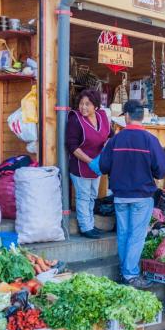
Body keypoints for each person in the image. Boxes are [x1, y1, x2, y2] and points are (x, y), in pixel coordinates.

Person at [90, 100, 165, 288]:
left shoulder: (115, 140)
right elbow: (161, 170)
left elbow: (102, 166)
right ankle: (130, 273)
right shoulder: (151, 140)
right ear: (142, 117)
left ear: (126, 116)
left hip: (120, 196)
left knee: (124, 234)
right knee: (136, 236)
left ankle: (126, 270)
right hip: (142, 197)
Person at [66, 90, 112, 239]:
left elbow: (110, 134)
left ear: (96, 107)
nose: (83, 107)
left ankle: (90, 224)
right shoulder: (75, 119)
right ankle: (85, 227)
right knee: (83, 196)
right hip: (81, 164)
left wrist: (107, 145)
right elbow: (72, 146)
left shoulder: (102, 116)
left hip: (96, 165)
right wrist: (90, 161)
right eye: (81, 104)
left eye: (87, 104)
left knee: (93, 195)